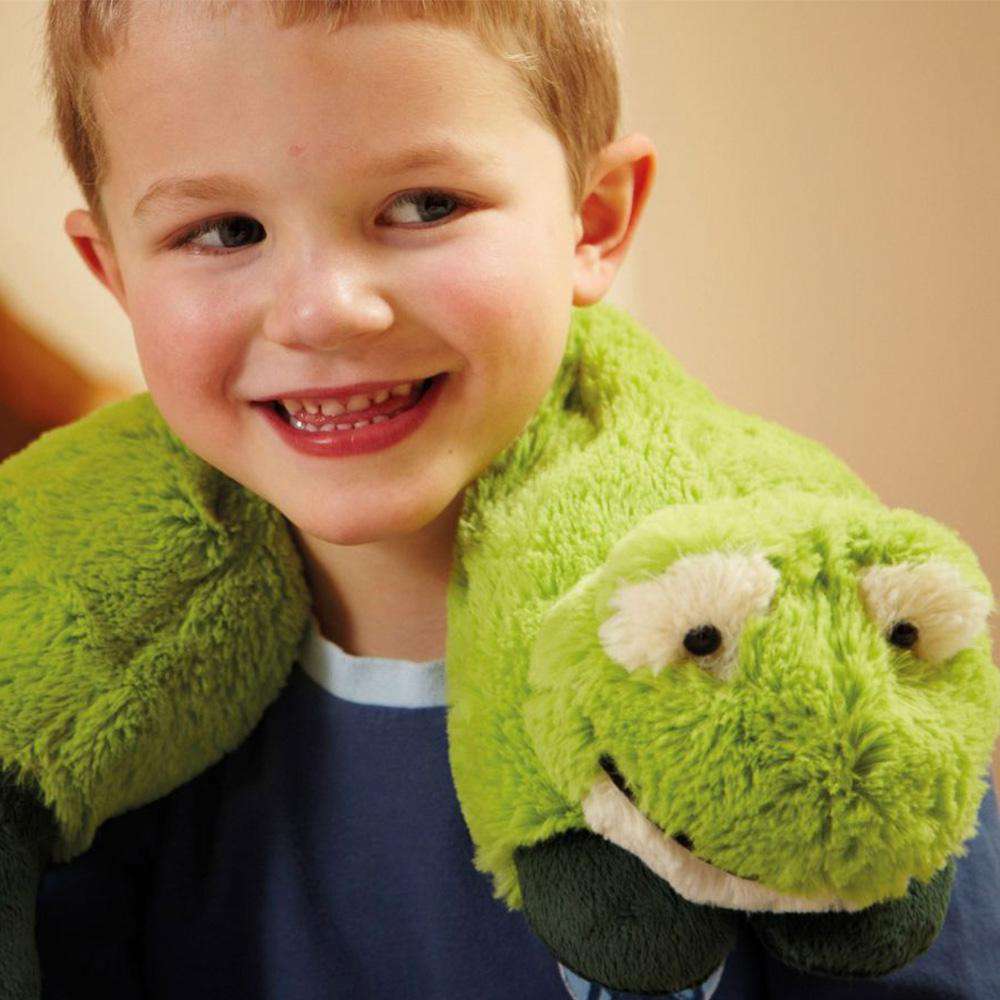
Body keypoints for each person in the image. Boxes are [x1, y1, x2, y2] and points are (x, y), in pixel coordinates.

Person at [32, 2, 1000, 998]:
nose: (323, 311)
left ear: (595, 219)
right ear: (115, 273)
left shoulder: (785, 627)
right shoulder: (72, 706)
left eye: (424, 206)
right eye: (223, 231)